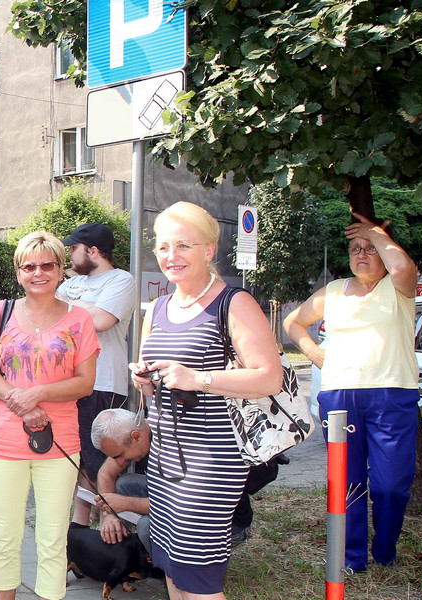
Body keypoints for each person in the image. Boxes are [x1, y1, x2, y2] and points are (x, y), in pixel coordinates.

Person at [129, 201, 281, 600]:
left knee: (199, 577)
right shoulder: (158, 307)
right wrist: (146, 381)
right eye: (163, 247)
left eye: (183, 246)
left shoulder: (234, 303)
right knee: (174, 571)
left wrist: (200, 379)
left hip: (212, 462)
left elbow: (270, 377)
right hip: (165, 459)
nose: (170, 256)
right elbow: (158, 383)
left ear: (209, 250)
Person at [283, 212, 419, 573]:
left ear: (384, 250)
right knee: (348, 481)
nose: (361, 253)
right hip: (341, 395)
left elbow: (401, 265)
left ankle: (385, 550)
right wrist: (312, 352)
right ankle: (353, 558)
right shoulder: (334, 291)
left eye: (369, 248)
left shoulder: (399, 285)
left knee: (392, 484)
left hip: (392, 394)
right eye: (354, 247)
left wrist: (377, 234)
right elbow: (292, 322)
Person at [0, 231, 99, 600]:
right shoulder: (3, 311)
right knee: (5, 535)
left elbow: (85, 383)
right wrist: (18, 400)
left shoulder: (80, 319)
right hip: (5, 440)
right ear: (18, 272)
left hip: (59, 442)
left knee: (52, 537)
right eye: (29, 266)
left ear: (61, 270)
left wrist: (38, 394)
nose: (38, 272)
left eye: (47, 264)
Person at [89, 408, 280, 554]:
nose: (120, 462)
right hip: (182, 505)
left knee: (148, 527)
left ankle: (171, 577)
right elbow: (106, 474)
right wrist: (110, 514)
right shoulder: (142, 429)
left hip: (223, 523)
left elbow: (179, 504)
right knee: (125, 484)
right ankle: (131, 556)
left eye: (120, 454)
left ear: (136, 436)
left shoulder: (175, 442)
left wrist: (123, 503)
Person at [57, 223, 138, 527]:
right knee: (74, 460)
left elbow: (102, 320)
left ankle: (111, 522)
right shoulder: (70, 285)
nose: (70, 255)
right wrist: (81, 307)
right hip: (68, 383)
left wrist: (66, 307)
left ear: (92, 251)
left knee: (97, 461)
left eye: (74, 248)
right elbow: (49, 313)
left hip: (103, 382)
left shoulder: (121, 280)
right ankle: (79, 530)